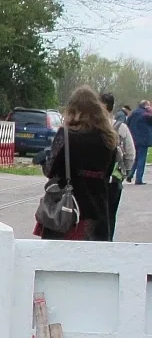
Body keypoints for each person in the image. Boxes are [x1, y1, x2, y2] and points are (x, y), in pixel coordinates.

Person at [36, 86, 118, 242]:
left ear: (72, 110)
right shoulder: (109, 138)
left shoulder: (66, 135)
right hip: (98, 207)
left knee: (61, 259)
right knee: (92, 261)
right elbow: (108, 172)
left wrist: (42, 159)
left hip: (70, 208)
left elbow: (50, 170)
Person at [102, 92, 135, 239]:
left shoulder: (91, 126)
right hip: (114, 179)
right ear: (112, 107)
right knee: (110, 215)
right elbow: (130, 153)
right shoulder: (121, 127)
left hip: (94, 179)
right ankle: (108, 241)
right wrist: (125, 172)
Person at [127, 100, 152, 185]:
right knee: (142, 159)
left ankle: (130, 174)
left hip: (133, 139)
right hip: (143, 140)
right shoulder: (146, 114)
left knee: (136, 158)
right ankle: (139, 179)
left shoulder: (133, 113)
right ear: (146, 106)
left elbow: (128, 123)